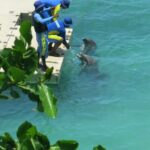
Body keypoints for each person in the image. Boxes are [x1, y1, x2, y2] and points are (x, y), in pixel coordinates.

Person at [32, 1, 57, 70]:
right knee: (43, 49)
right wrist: (52, 17)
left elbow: (44, 10)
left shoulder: (37, 11)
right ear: (39, 8)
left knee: (40, 48)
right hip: (41, 34)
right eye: (41, 7)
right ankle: (44, 66)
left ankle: (37, 63)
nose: (43, 8)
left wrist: (50, 8)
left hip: (42, 33)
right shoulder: (36, 15)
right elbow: (42, 21)